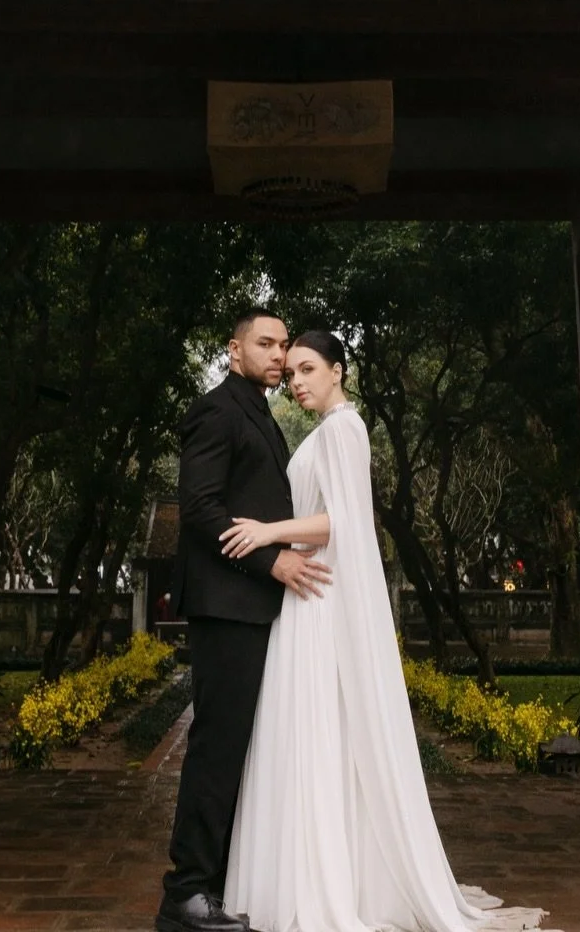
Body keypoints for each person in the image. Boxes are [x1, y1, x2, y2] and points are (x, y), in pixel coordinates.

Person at [219, 331, 548, 932]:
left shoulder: (347, 427)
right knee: (311, 731)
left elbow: (344, 521)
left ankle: (330, 883)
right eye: (290, 373)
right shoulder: (326, 432)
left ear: (338, 371)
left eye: (308, 369)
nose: (296, 382)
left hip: (320, 591)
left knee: (322, 728)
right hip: (305, 592)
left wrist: (267, 533)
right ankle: (310, 873)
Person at [160, 310, 334, 932]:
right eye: (266, 343)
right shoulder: (217, 410)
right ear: (234, 351)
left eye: (284, 345)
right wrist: (272, 561)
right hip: (225, 603)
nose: (279, 354)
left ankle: (216, 881)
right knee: (217, 748)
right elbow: (200, 510)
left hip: (250, 607)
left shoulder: (258, 414)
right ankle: (185, 893)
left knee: (240, 748)